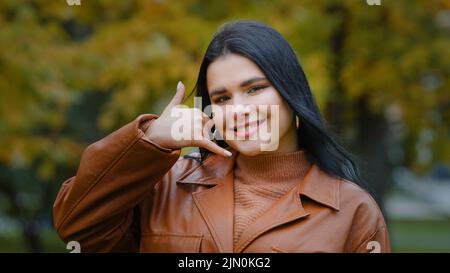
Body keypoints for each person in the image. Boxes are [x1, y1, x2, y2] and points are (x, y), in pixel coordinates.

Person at [53, 20, 390, 253]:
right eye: (223, 98)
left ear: (290, 93)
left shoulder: (351, 209)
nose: (238, 109)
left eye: (255, 89)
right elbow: (77, 226)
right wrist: (151, 138)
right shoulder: (166, 185)